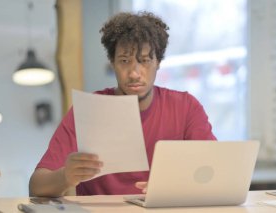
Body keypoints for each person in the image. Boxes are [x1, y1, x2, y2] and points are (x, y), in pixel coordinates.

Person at [29, 11, 216, 197]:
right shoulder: (87, 111)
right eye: (124, 61)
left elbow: (215, 172)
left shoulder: (186, 107)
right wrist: (65, 176)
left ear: (158, 62)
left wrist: (175, 187)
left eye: (144, 61)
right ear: (112, 63)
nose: (134, 73)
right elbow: (36, 186)